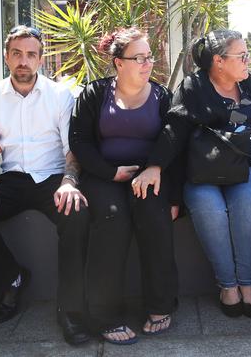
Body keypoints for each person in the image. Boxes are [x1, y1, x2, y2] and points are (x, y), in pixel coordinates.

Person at [0, 26, 93, 345]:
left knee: (78, 216)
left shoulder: (60, 96)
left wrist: (70, 183)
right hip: (14, 178)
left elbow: (71, 149)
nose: (23, 61)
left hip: (53, 178)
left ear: (41, 59)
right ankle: (10, 279)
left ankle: (70, 310)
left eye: (31, 55)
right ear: (6, 57)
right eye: (17, 54)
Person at [133, 29, 251, 319]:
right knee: (210, 208)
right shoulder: (193, 87)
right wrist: (155, 166)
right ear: (218, 61)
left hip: (240, 168)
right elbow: (175, 130)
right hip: (200, 172)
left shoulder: (247, 84)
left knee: (248, 199)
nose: (247, 60)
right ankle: (228, 285)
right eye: (241, 55)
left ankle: (248, 282)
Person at [69, 27, 179, 345]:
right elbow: (79, 140)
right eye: (139, 58)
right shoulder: (94, 94)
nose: (147, 63)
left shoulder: (161, 96)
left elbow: (172, 141)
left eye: (149, 57)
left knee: (155, 219)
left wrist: (170, 193)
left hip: (148, 177)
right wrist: (109, 172)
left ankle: (160, 306)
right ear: (119, 63)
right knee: (112, 219)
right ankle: (104, 314)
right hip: (103, 177)